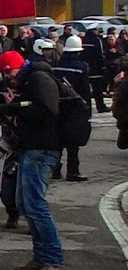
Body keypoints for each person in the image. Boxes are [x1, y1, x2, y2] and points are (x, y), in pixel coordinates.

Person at [0, 50, 66, 270]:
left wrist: (15, 110)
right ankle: (41, 257)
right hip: (32, 148)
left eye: (8, 75)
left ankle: (54, 261)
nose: (8, 80)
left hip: (42, 149)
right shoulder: (30, 81)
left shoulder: (39, 79)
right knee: (25, 203)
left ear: (15, 69)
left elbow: (46, 110)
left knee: (36, 205)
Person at [51, 35, 90, 182]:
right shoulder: (82, 67)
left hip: (57, 105)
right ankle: (72, 171)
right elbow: (85, 91)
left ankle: (55, 169)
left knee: (58, 139)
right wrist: (87, 112)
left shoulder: (54, 65)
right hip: (74, 108)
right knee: (73, 142)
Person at [81, 26, 108, 113]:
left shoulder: (83, 40)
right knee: (98, 90)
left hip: (85, 68)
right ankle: (100, 107)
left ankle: (87, 108)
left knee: (86, 90)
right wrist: (103, 67)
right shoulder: (96, 40)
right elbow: (100, 55)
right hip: (96, 69)